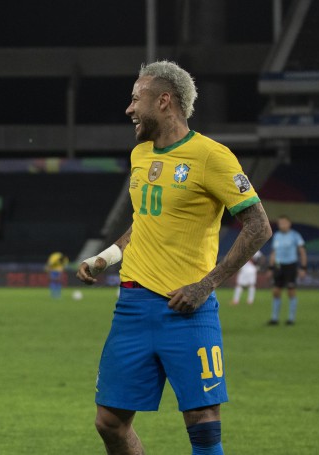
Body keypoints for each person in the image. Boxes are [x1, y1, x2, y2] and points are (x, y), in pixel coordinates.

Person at [77, 60, 271, 455]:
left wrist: (206, 285)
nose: (130, 109)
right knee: (109, 423)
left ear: (164, 101)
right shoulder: (140, 154)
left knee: (202, 424)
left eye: (136, 99)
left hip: (186, 310)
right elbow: (144, 221)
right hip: (131, 308)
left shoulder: (211, 156)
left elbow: (258, 226)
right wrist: (106, 258)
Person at [267, 216, 307, 326]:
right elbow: (274, 252)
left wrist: (303, 267)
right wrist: (270, 267)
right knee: (276, 291)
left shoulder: (295, 235)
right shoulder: (277, 236)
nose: (282, 225)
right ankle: (274, 318)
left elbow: (302, 251)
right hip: (278, 266)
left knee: (291, 291)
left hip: (291, 266)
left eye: (284, 223)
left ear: (289, 224)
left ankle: (291, 318)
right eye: (280, 223)